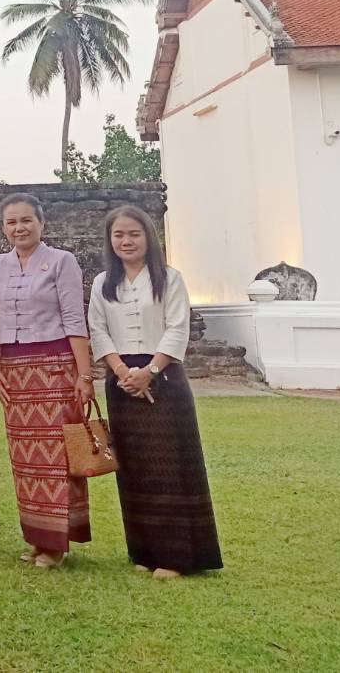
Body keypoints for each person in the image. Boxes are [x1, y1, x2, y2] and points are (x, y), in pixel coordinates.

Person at [89, 204, 222, 579]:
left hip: (163, 380)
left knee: (170, 468)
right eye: (118, 235)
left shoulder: (170, 278)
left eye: (133, 233)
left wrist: (148, 372)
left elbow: (177, 328)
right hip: (120, 383)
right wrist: (120, 372)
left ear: (149, 236)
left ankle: (176, 556)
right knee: (136, 468)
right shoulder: (103, 283)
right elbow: (98, 330)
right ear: (110, 240)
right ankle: (145, 550)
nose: (126, 241)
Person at [0, 193, 92, 569]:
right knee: (25, 459)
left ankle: (57, 543)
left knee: (57, 457)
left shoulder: (61, 261)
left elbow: (74, 319)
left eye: (26, 220)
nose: (20, 228)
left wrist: (84, 374)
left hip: (54, 367)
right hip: (14, 371)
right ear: (3, 227)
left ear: (41, 223)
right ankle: (36, 535)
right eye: (12, 222)